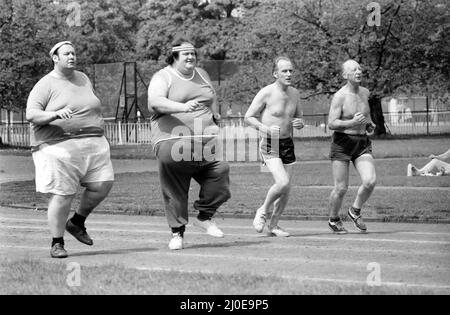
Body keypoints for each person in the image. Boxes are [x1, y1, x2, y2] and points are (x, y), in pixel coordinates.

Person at [26, 41, 114, 258]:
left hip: (93, 143)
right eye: (66, 54)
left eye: (74, 53)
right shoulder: (45, 84)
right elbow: (32, 114)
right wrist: (55, 114)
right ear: (55, 58)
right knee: (63, 194)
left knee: (102, 184)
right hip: (58, 146)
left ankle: (76, 223)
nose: (72, 56)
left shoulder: (83, 78)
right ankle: (57, 243)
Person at [147, 40, 230, 250]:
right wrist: (182, 107)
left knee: (220, 171)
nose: (191, 57)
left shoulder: (201, 73)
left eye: (193, 53)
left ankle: (204, 216)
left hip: (204, 139)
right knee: (176, 184)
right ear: (174, 56)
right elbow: (154, 102)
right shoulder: (163, 76)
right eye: (185, 54)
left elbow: (212, 96)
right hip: (171, 139)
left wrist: (215, 113)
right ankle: (177, 233)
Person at [244, 56, 304, 237]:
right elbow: (248, 117)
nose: (288, 74)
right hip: (270, 142)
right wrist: (265, 128)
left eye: (290, 70)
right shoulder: (266, 92)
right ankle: (262, 210)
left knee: (287, 188)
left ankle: (274, 225)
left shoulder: (295, 93)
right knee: (282, 182)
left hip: (287, 143)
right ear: (275, 73)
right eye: (284, 71)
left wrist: (299, 123)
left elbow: (298, 118)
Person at [327, 59, 377, 234]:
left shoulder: (365, 92)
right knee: (341, 188)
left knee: (370, 181)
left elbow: (367, 115)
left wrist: (369, 125)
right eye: (353, 69)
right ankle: (334, 219)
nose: (358, 72)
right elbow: (331, 123)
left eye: (360, 68)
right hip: (342, 144)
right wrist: (353, 122)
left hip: (362, 143)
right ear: (345, 75)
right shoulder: (340, 96)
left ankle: (355, 211)